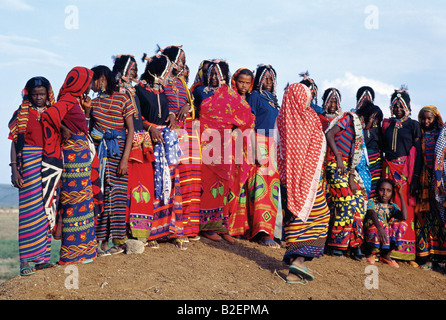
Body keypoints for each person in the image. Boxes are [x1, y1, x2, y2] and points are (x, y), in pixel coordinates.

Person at [193, 60, 255, 243]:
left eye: (217, 74)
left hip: (226, 145)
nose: (213, 77)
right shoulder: (199, 91)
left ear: (224, 77)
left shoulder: (229, 94)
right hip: (206, 143)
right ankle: (206, 226)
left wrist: (237, 129)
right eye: (211, 73)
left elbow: (247, 115)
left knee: (225, 186)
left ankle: (222, 226)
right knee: (208, 184)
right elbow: (193, 111)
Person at [277, 83, 331, 284]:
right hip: (307, 179)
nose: (309, 101)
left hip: (287, 179)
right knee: (319, 216)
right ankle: (298, 260)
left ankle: (293, 271)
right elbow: (317, 145)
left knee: (295, 218)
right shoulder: (309, 117)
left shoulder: (282, 117)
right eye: (308, 97)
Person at [9, 76, 59, 275]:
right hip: (28, 164)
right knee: (29, 213)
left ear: (48, 94)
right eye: (35, 94)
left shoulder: (54, 113)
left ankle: (42, 260)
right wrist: (14, 169)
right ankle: (25, 262)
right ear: (29, 94)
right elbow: (14, 142)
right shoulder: (21, 113)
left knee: (47, 209)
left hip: (50, 164)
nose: (39, 98)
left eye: (42, 94)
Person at [228, 65, 281, 248]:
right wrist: (255, 150)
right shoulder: (255, 97)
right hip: (258, 143)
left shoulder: (274, 99)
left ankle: (267, 230)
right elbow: (248, 124)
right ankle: (261, 232)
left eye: (271, 78)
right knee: (259, 190)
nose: (269, 82)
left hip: (272, 146)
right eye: (265, 78)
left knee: (272, 192)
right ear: (258, 81)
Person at [135, 54, 184, 249]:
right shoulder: (138, 89)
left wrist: (171, 115)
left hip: (165, 139)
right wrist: (150, 128)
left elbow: (165, 109)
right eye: (166, 71)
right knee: (154, 183)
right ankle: (152, 232)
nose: (168, 75)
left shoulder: (161, 89)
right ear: (157, 71)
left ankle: (171, 230)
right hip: (149, 141)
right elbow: (137, 116)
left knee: (171, 184)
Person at [87, 65, 135, 256]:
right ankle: (100, 242)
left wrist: (125, 160)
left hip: (119, 153)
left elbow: (130, 130)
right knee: (101, 195)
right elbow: (89, 130)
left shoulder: (124, 98)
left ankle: (117, 240)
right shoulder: (94, 102)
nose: (92, 85)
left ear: (103, 79)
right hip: (100, 153)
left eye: (94, 80)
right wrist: (87, 110)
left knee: (117, 196)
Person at [112, 54, 155, 245]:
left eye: (136, 69)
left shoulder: (134, 90)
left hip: (140, 141)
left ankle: (139, 232)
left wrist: (149, 128)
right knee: (126, 188)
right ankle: (122, 234)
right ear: (122, 70)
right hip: (123, 144)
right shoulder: (115, 92)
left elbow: (140, 118)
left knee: (142, 185)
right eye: (132, 69)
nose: (135, 72)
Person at [57, 67, 98, 265]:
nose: (91, 86)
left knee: (84, 200)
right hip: (72, 156)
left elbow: (83, 127)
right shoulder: (65, 100)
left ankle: (86, 250)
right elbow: (50, 118)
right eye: (89, 82)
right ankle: (71, 253)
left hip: (81, 156)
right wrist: (63, 128)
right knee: (73, 201)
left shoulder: (75, 101)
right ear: (81, 83)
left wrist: (87, 110)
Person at [162, 45, 202, 243]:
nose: (182, 63)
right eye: (180, 59)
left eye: (184, 60)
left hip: (185, 133)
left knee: (187, 179)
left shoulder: (180, 83)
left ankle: (186, 227)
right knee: (168, 179)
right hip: (167, 133)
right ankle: (166, 228)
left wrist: (188, 105)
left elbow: (189, 105)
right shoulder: (162, 81)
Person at [324, 97, 369, 260]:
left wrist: (351, 177)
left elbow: (353, 158)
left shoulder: (358, 128)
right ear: (371, 117)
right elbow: (329, 134)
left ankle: (354, 244)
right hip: (333, 164)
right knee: (346, 200)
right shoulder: (349, 119)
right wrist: (337, 157)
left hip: (345, 169)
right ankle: (336, 244)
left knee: (359, 199)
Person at [381, 87, 421, 265]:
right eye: (395, 105)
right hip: (388, 170)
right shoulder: (387, 124)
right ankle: (385, 249)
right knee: (388, 207)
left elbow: (417, 152)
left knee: (406, 210)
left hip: (405, 172)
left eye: (401, 105)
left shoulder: (413, 125)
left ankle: (406, 252)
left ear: (407, 106)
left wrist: (415, 177)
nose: (397, 109)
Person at [415, 105, 446, 270]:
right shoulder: (419, 134)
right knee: (423, 217)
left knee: (440, 218)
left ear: (435, 119)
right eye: (423, 118)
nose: (426, 121)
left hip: (440, 180)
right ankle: (425, 257)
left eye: (429, 118)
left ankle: (440, 258)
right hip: (423, 180)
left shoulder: (442, 133)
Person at [364, 178, 408, 268]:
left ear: (392, 193)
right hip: (373, 232)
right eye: (382, 190)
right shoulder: (372, 202)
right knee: (379, 222)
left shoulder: (392, 206)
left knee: (401, 224)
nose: (385, 193)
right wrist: (380, 227)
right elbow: (372, 214)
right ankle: (369, 253)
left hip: (384, 234)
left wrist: (400, 195)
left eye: (388, 191)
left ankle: (385, 255)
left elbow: (404, 217)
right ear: (377, 190)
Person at [356, 87, 383, 198]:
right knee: (364, 184)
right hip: (364, 161)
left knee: (375, 185)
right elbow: (362, 140)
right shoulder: (360, 128)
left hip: (376, 161)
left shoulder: (378, 130)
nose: (374, 121)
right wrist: (368, 125)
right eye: (372, 118)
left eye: (376, 118)